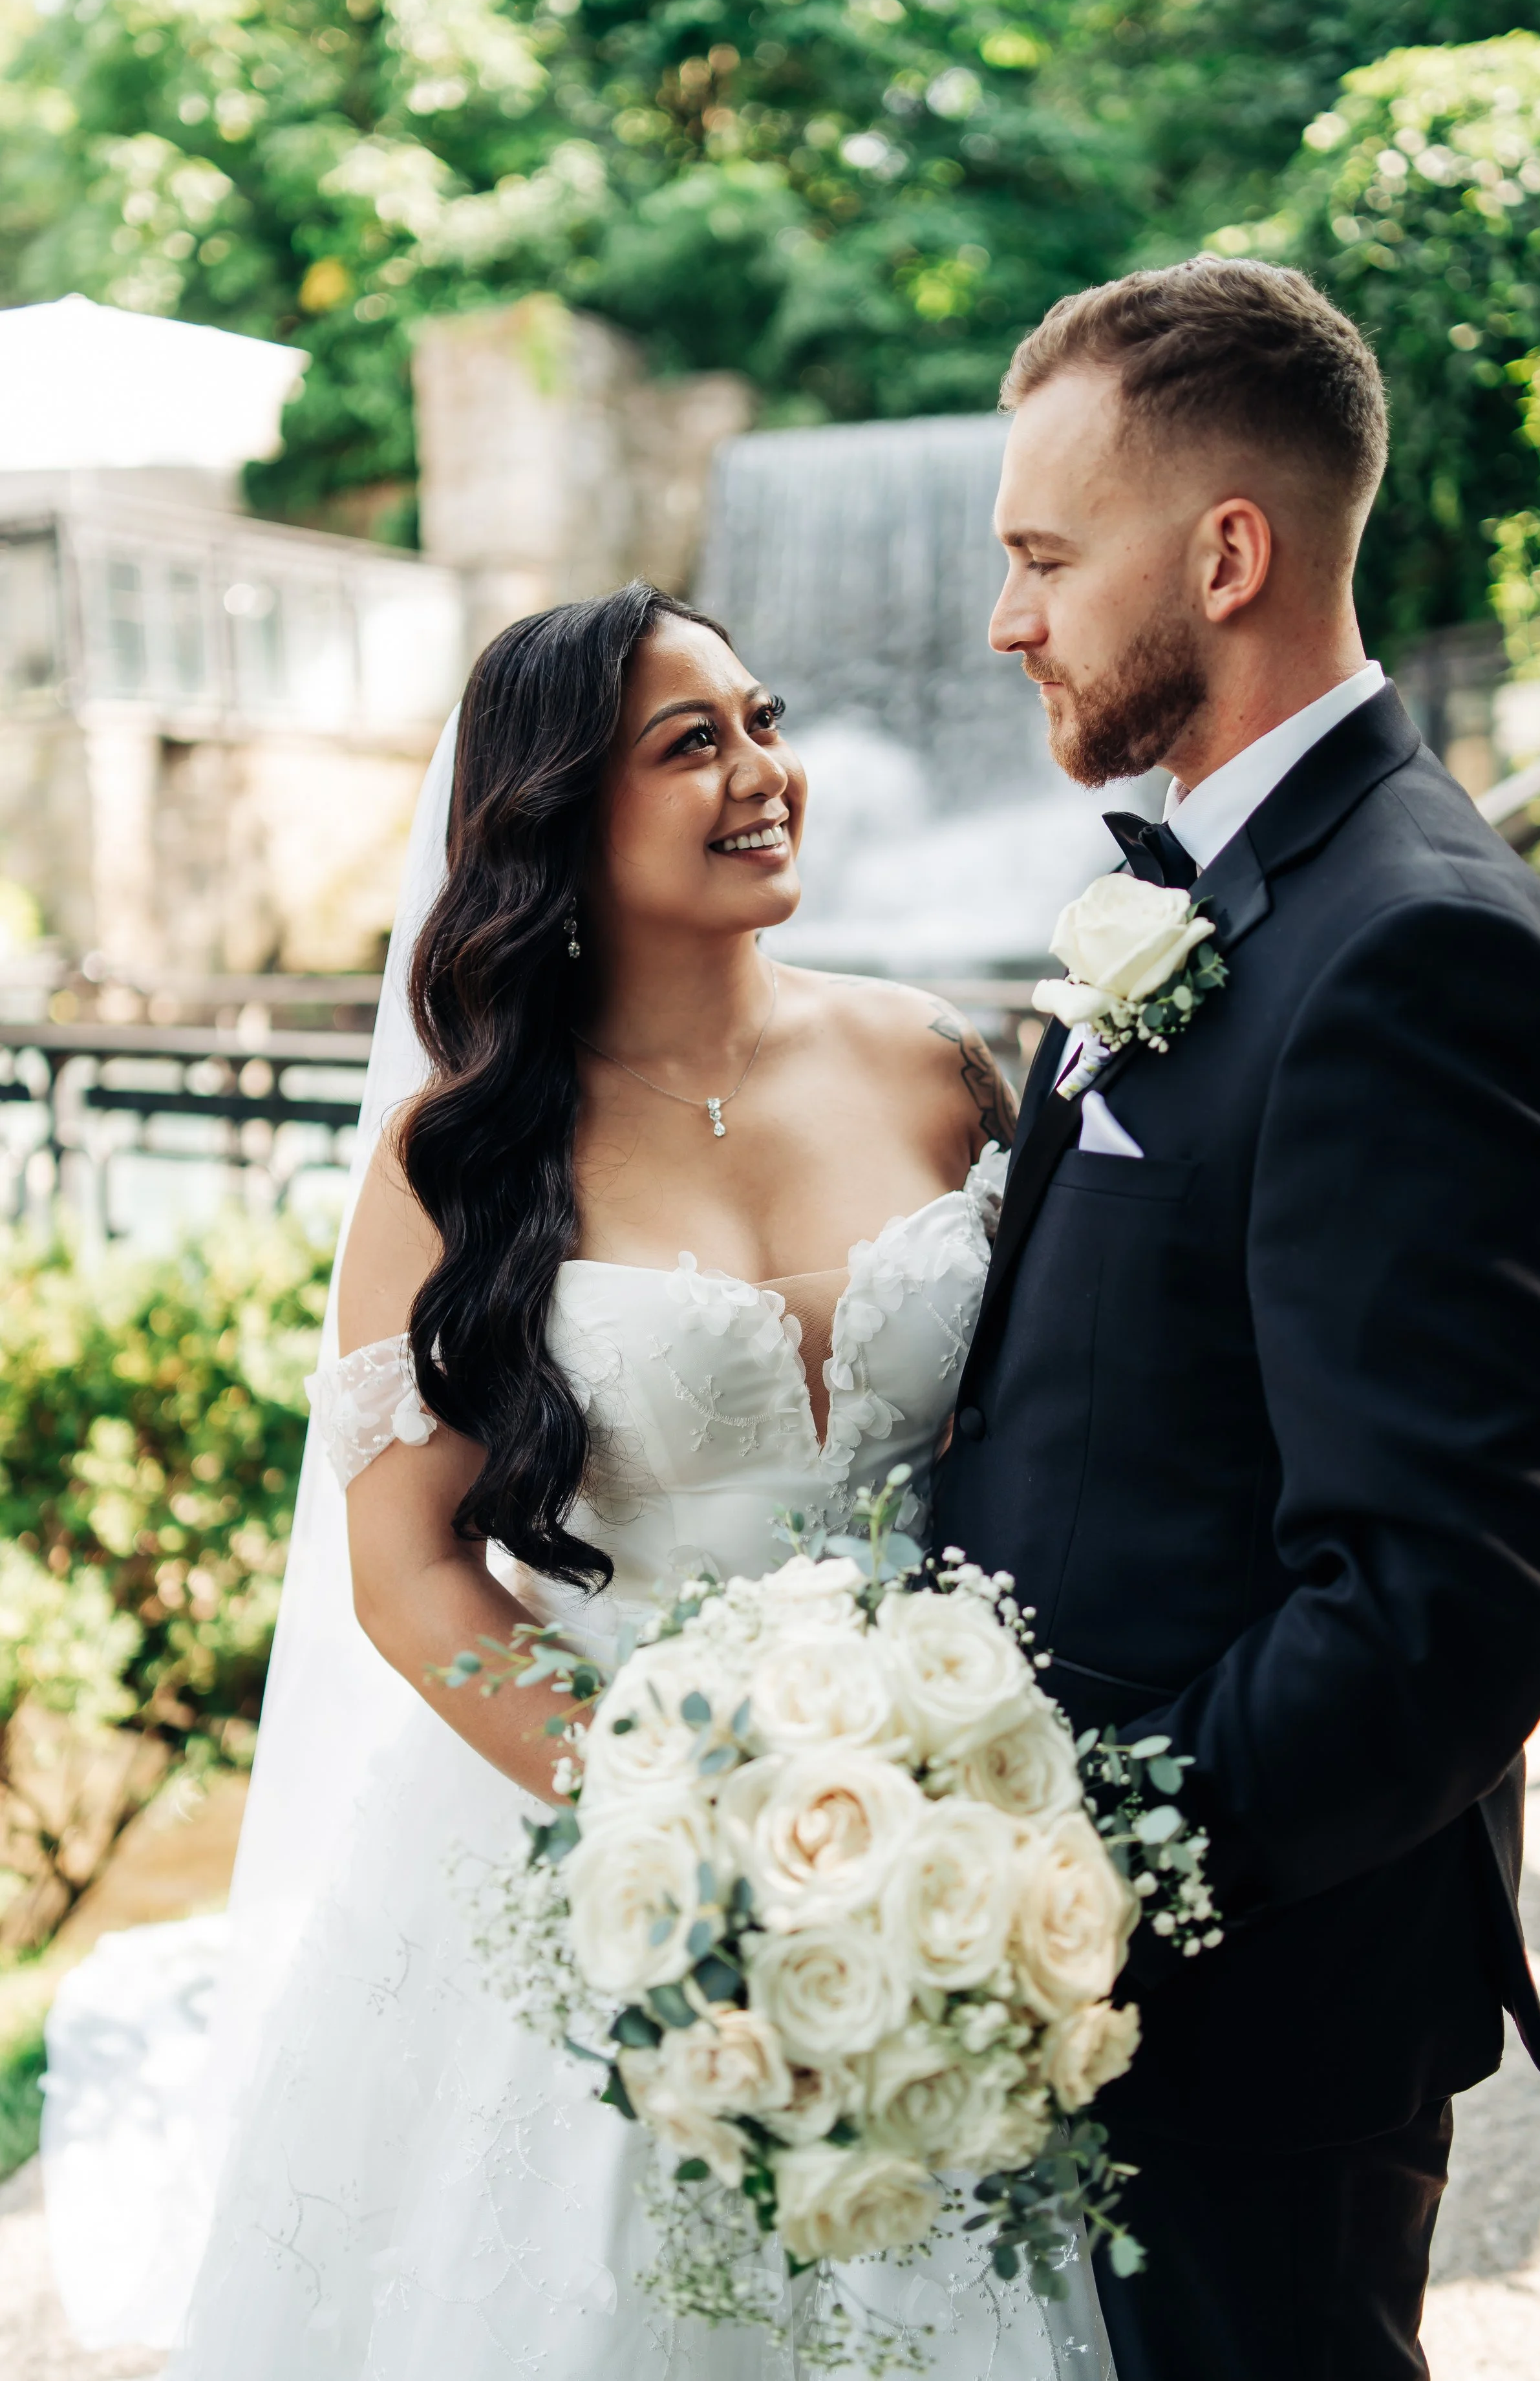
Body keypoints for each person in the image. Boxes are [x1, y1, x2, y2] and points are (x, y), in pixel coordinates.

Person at [161, 584, 1114, 2377]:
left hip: (942, 1819)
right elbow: (409, 1575)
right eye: (695, 745)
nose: (765, 774)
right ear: (555, 817)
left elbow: (1059, 1423)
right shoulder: (458, 1156)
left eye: (765, 721)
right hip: (600, 1837)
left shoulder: (924, 1063)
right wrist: (681, 1840)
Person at [932, 255, 1540, 2380]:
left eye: (1045, 556)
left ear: (1226, 552)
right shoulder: (1218, 888)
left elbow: (1440, 1596)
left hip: (1243, 2019)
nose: (1004, 619)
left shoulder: (1416, 947)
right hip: (1099, 1998)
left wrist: (1081, 1887)